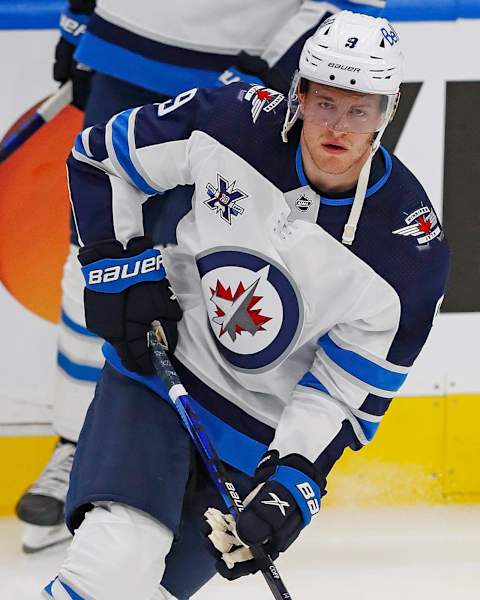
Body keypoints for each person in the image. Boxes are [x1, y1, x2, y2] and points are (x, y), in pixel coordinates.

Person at [42, 10, 450, 599]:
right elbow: (101, 158)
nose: (338, 126)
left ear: (386, 112)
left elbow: (341, 390)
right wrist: (114, 268)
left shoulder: (409, 253)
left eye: (359, 109)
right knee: (110, 570)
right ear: (299, 93)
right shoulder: (230, 120)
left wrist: (292, 482)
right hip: (158, 375)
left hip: (247, 438)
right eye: (324, 102)